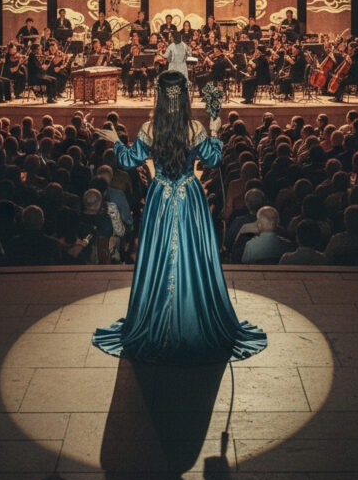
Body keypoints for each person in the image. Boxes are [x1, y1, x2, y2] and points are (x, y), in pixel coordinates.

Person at [92, 71, 267, 364]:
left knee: (158, 255)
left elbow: (127, 160)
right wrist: (214, 128)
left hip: (161, 196)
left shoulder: (149, 128)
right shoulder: (194, 127)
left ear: (159, 96)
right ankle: (193, 315)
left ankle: (157, 316)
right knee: (193, 255)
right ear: (184, 96)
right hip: (190, 197)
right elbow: (212, 159)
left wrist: (116, 141)